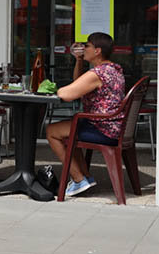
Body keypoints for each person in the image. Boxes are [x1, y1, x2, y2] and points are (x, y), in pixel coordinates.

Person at [45, 32, 125, 197]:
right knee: (70, 128)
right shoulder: (113, 69)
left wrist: (54, 89)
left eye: (87, 45)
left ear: (97, 51)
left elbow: (67, 94)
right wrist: (79, 60)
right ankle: (86, 177)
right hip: (112, 126)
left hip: (103, 128)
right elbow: (79, 82)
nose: (83, 48)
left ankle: (79, 179)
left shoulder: (98, 73)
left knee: (52, 131)